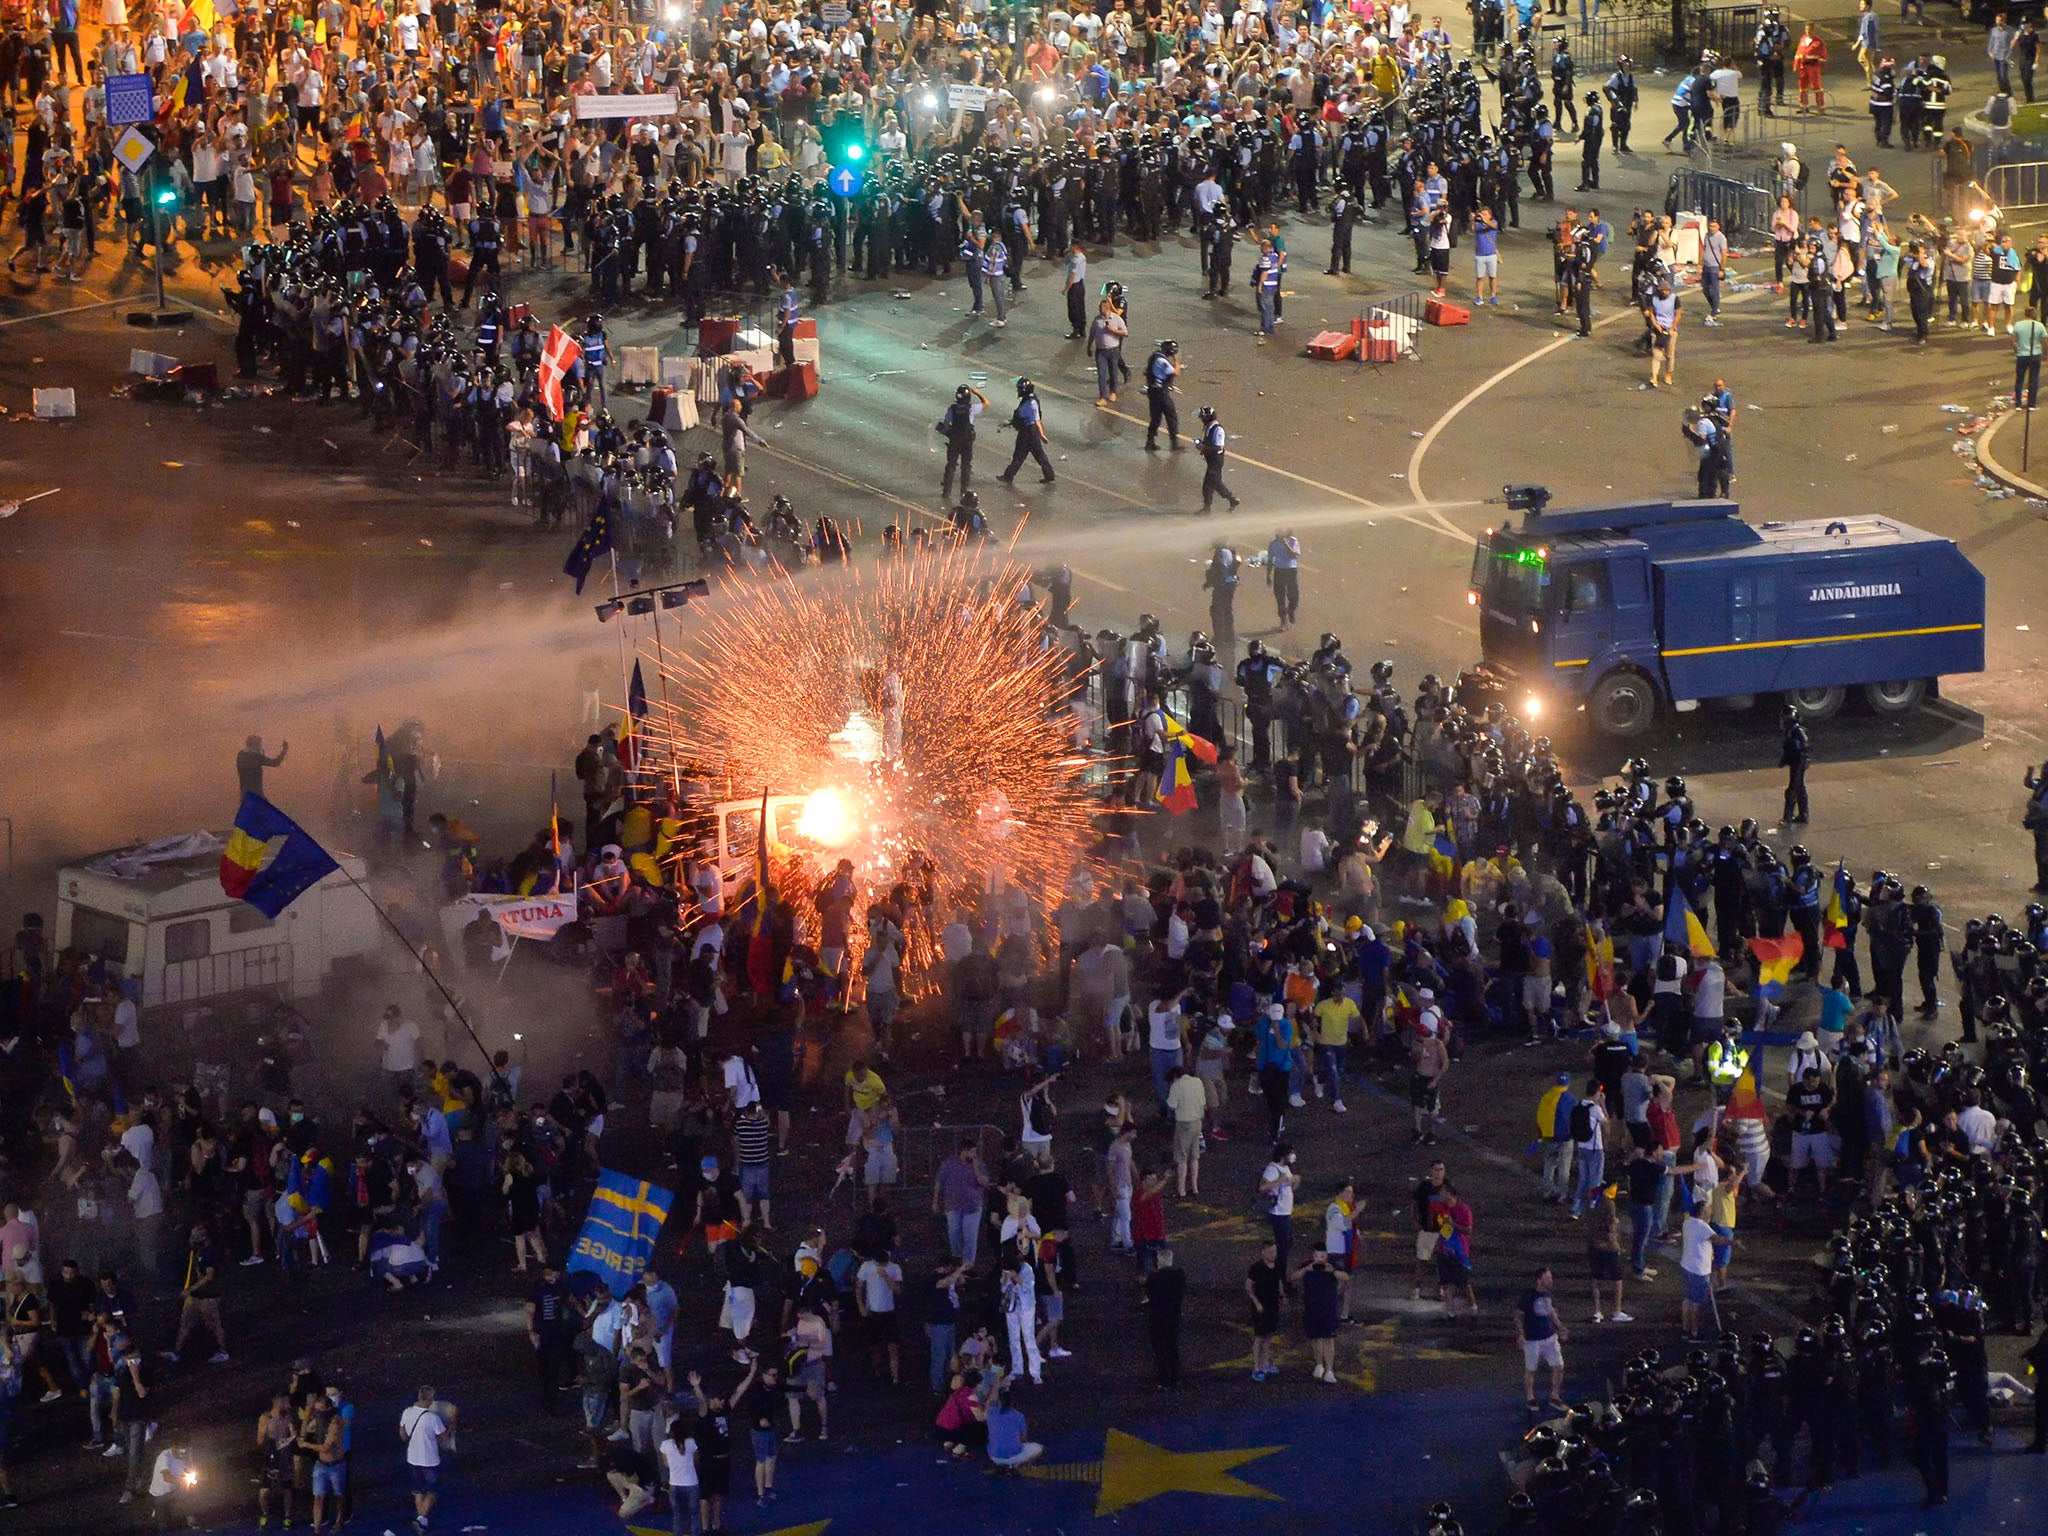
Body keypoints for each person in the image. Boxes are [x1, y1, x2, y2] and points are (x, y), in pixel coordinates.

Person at [1516, 1267, 1568, 1413]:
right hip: (1532, 1339)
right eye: (1548, 1278)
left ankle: (1554, 1396)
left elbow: (1551, 1312)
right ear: (1539, 1280)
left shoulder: (1547, 1295)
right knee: (1531, 1369)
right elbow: (1519, 1316)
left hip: (1549, 1337)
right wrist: (1521, 1334)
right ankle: (1530, 1397)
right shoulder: (1528, 1296)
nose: (1551, 1281)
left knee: (1559, 1366)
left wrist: (1560, 1327)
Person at [400, 1384, 450, 1531]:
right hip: (430, 1460)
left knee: (418, 1490)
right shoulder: (432, 1418)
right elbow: (444, 1437)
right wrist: (452, 1423)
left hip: (412, 1458)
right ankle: (421, 1518)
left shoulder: (407, 1412)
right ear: (431, 1399)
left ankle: (421, 1518)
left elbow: (403, 1434)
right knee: (432, 1490)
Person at [1145, 1247, 1188, 1389]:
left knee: (1159, 1349)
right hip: (1174, 1315)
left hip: (1157, 1316)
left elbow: (1148, 1293)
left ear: (1158, 1261)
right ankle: (1176, 1377)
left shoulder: (1154, 1277)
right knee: (1172, 1347)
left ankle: (1163, 1379)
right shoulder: (1180, 1275)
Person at [1245, 1238, 1284, 1382]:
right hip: (1261, 1308)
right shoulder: (1256, 1268)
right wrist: (1256, 1303)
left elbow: (1278, 1281)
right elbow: (1248, 1287)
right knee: (1260, 1337)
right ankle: (1257, 1367)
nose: (1273, 1254)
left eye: (1275, 1251)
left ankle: (1266, 1363)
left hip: (1273, 1305)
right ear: (1263, 1252)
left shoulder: (1277, 1266)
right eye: (1271, 1252)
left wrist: (1282, 1295)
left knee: (1269, 1336)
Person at [1781, 706, 1812, 823]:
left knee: (1792, 790)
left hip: (1798, 763)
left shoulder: (1797, 731)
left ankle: (1788, 817)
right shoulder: (1791, 731)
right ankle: (1803, 815)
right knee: (1799, 788)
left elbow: (1803, 748)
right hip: (1796, 762)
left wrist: (1799, 760)